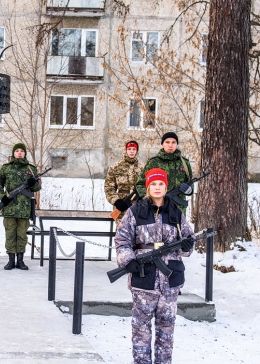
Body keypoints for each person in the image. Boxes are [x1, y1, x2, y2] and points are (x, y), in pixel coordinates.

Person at [115, 168, 195, 364]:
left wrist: (187, 245)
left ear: (166, 187)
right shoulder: (136, 211)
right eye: (153, 184)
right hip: (144, 278)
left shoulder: (175, 212)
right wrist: (128, 260)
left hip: (170, 282)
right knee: (141, 328)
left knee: (166, 329)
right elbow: (122, 239)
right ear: (148, 187)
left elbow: (188, 241)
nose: (157, 188)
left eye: (161, 184)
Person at [0, 143, 41, 270]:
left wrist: (32, 183)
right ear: (13, 153)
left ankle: (20, 260)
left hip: (24, 209)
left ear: (25, 153)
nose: (19, 153)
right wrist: (2, 196)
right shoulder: (6, 168)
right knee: (10, 234)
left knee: (22, 235)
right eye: (17, 151)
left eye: (21, 151)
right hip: (9, 208)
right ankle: (10, 260)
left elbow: (37, 187)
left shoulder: (31, 169)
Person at [135, 132, 193, 213]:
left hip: (178, 208)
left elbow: (190, 182)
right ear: (162, 144)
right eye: (167, 142)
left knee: (179, 226)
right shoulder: (153, 162)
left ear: (177, 144)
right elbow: (140, 184)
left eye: (173, 142)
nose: (170, 145)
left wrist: (189, 190)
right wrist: (150, 199)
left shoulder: (184, 163)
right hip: (157, 207)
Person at [105, 140, 142, 222]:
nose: (131, 151)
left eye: (134, 149)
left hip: (138, 205)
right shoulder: (115, 167)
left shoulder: (142, 168)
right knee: (121, 232)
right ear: (125, 151)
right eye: (129, 149)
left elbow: (147, 187)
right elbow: (109, 187)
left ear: (137, 151)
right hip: (122, 204)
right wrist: (116, 201)